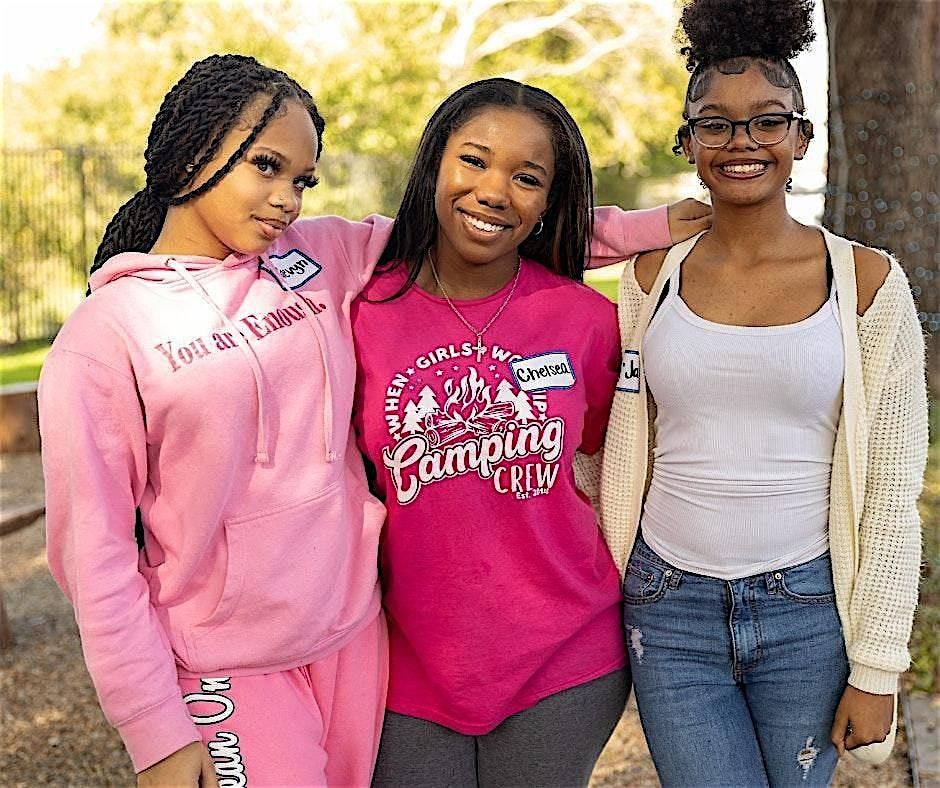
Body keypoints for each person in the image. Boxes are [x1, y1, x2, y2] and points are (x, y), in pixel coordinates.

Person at [39, 56, 709, 786]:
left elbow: (479, 227)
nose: (287, 199)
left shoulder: (317, 254)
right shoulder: (106, 336)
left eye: (303, 180)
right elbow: (93, 555)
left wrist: (649, 226)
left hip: (357, 644)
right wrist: (152, 727)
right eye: (266, 166)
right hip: (227, 657)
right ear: (192, 150)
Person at [588, 1, 929, 785]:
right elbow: (526, 237)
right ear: (687, 143)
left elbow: (891, 490)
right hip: (668, 607)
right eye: (715, 124)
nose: (741, 141)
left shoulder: (868, 284)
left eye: (768, 121)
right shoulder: (648, 277)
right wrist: (642, 224)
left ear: (802, 137)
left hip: (807, 609)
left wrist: (877, 666)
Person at [352, 77, 649, 787]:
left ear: (549, 202)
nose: (493, 191)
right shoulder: (361, 314)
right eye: (474, 160)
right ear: (435, 163)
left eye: (526, 177)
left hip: (565, 659)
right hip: (403, 662)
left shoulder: (586, 321)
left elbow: (611, 457)